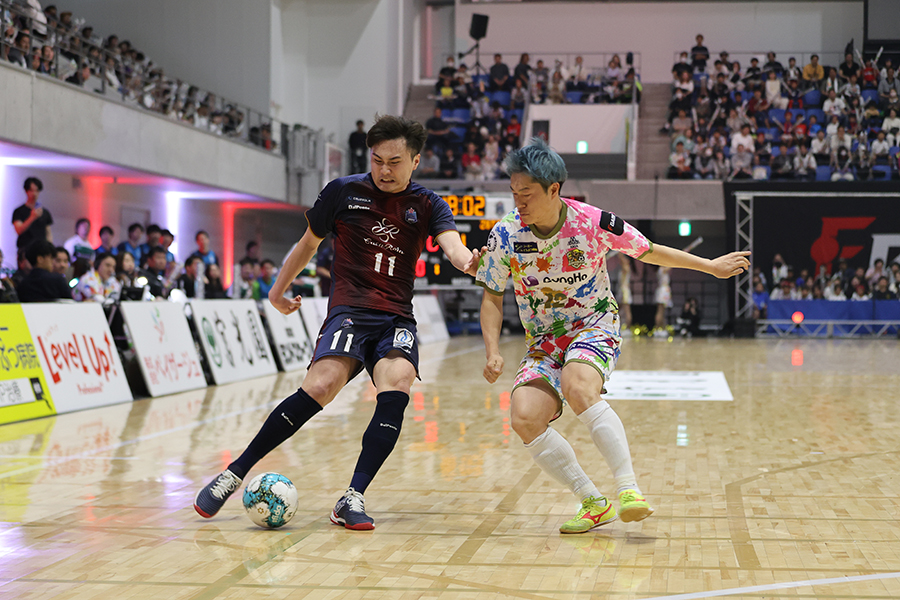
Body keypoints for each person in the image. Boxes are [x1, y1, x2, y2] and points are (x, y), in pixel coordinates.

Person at [193, 115, 479, 529]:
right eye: (377, 160)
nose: (384, 170)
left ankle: (352, 497)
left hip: (396, 317)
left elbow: (453, 247)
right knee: (321, 385)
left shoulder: (429, 204)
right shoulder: (343, 191)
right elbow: (307, 244)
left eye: (394, 162)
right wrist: (277, 291)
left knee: (397, 383)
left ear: (415, 160)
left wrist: (469, 262)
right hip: (349, 312)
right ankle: (234, 473)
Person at [476, 138, 749, 533]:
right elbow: (491, 296)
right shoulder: (505, 233)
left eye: (527, 193)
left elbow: (650, 251)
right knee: (523, 417)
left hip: (593, 326)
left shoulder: (593, 222)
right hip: (543, 344)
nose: (518, 202)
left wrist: (709, 266)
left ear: (554, 190)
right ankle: (592, 501)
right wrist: (492, 350)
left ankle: (628, 489)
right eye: (514, 192)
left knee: (577, 385)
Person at [12, 177, 53, 250]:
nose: (34, 194)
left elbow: (48, 232)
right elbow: (19, 230)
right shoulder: (19, 211)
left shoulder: (45, 212)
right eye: (31, 190)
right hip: (25, 248)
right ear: (26, 191)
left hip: (41, 248)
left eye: (37, 191)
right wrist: (32, 217)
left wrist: (50, 247)